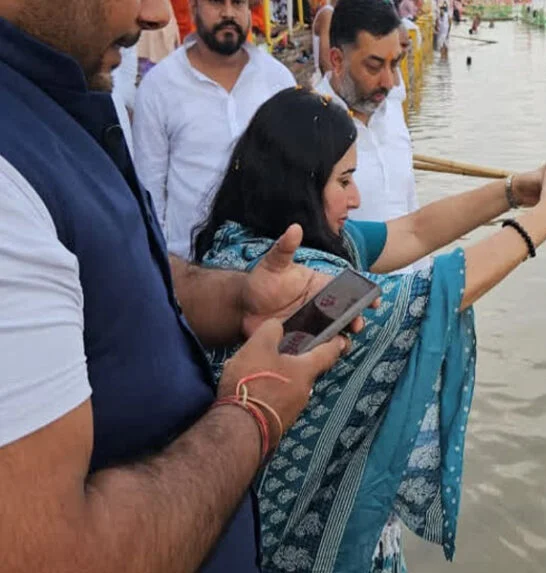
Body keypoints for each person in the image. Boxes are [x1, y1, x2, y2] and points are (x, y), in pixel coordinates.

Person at [0, 1, 368, 572]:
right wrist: (252, 415)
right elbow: (53, 555)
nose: (154, 16)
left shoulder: (58, 96)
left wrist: (238, 297)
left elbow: (122, 272)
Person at [191, 88, 546, 573]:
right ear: (299, 185)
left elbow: (412, 231)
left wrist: (515, 191)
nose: (356, 198)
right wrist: (544, 220)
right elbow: (425, 294)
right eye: (344, 180)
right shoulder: (295, 281)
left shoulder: (253, 242)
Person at [133, 0, 297, 259]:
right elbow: (149, 191)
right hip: (191, 268)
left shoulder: (278, 80)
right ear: (193, 8)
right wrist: (169, 268)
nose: (229, 13)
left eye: (238, 3)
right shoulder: (159, 87)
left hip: (268, 261)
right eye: (217, 2)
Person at [315, 0, 422, 270]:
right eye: (374, 67)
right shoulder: (308, 123)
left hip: (410, 288)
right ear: (337, 60)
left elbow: (410, 207)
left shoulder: (392, 109)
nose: (388, 82)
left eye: (394, 64)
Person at [311, 0, 336, 86]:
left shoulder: (334, 12)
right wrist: (332, 85)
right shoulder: (327, 13)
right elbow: (325, 57)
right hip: (325, 80)